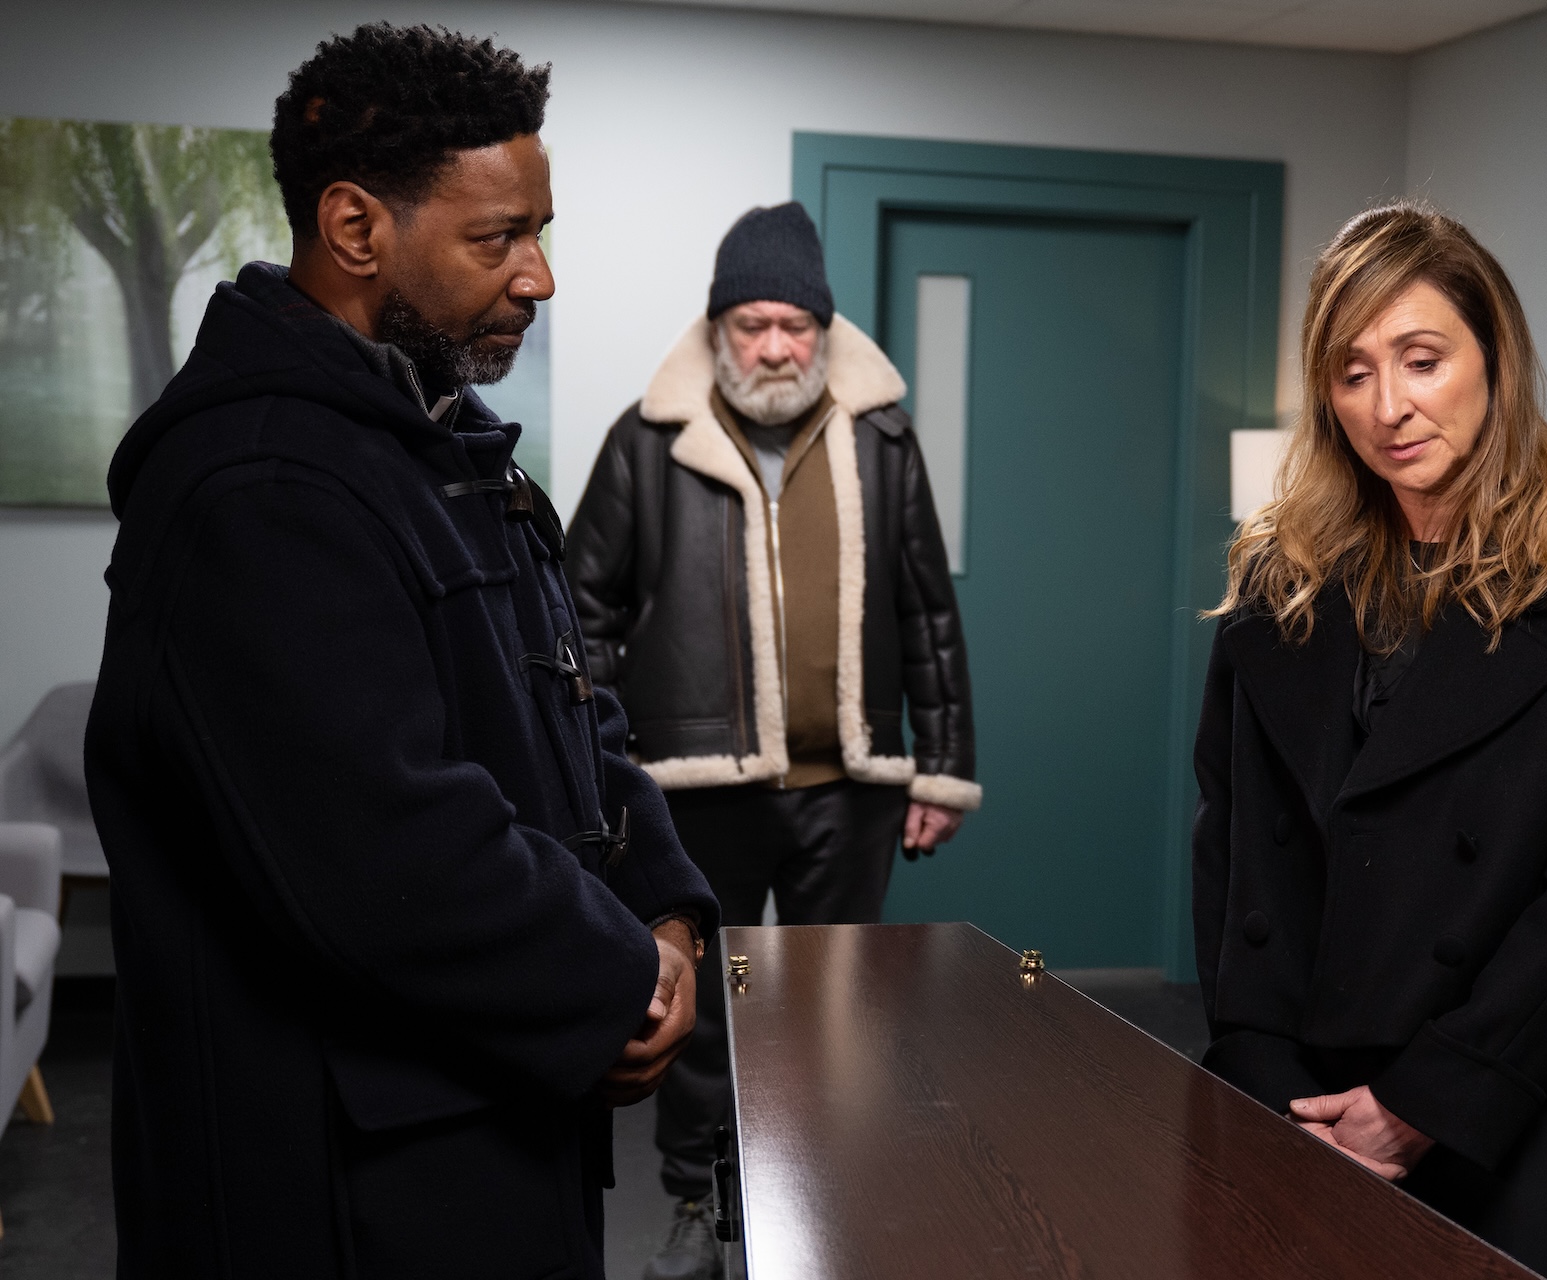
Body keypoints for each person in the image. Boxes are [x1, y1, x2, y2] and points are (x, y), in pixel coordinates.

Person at [84, 24, 719, 1279]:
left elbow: (571, 714)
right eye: (499, 238)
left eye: (542, 231)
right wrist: (618, 978)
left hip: (484, 1136)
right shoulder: (258, 486)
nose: (540, 276)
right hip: (338, 1193)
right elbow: (389, 855)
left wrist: (666, 909)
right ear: (357, 228)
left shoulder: (446, 447)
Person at [1192, 202, 1547, 1280]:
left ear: (1492, 356)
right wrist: (1265, 1071)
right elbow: (1234, 847)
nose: (1390, 405)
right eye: (1353, 371)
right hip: (1304, 1089)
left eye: (1422, 358)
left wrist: (1424, 1101)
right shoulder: (1282, 573)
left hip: (1509, 1089)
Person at [566, 202, 981, 1279]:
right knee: (698, 1011)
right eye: (752, 323)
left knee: (839, 1006)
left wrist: (942, 765)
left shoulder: (883, 437)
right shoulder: (646, 440)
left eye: (796, 324)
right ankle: (696, 1209)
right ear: (718, 329)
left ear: (824, 330)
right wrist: (609, 770)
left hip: (852, 786)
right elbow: (578, 615)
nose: (776, 346)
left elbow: (927, 608)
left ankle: (824, 1192)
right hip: (692, 788)